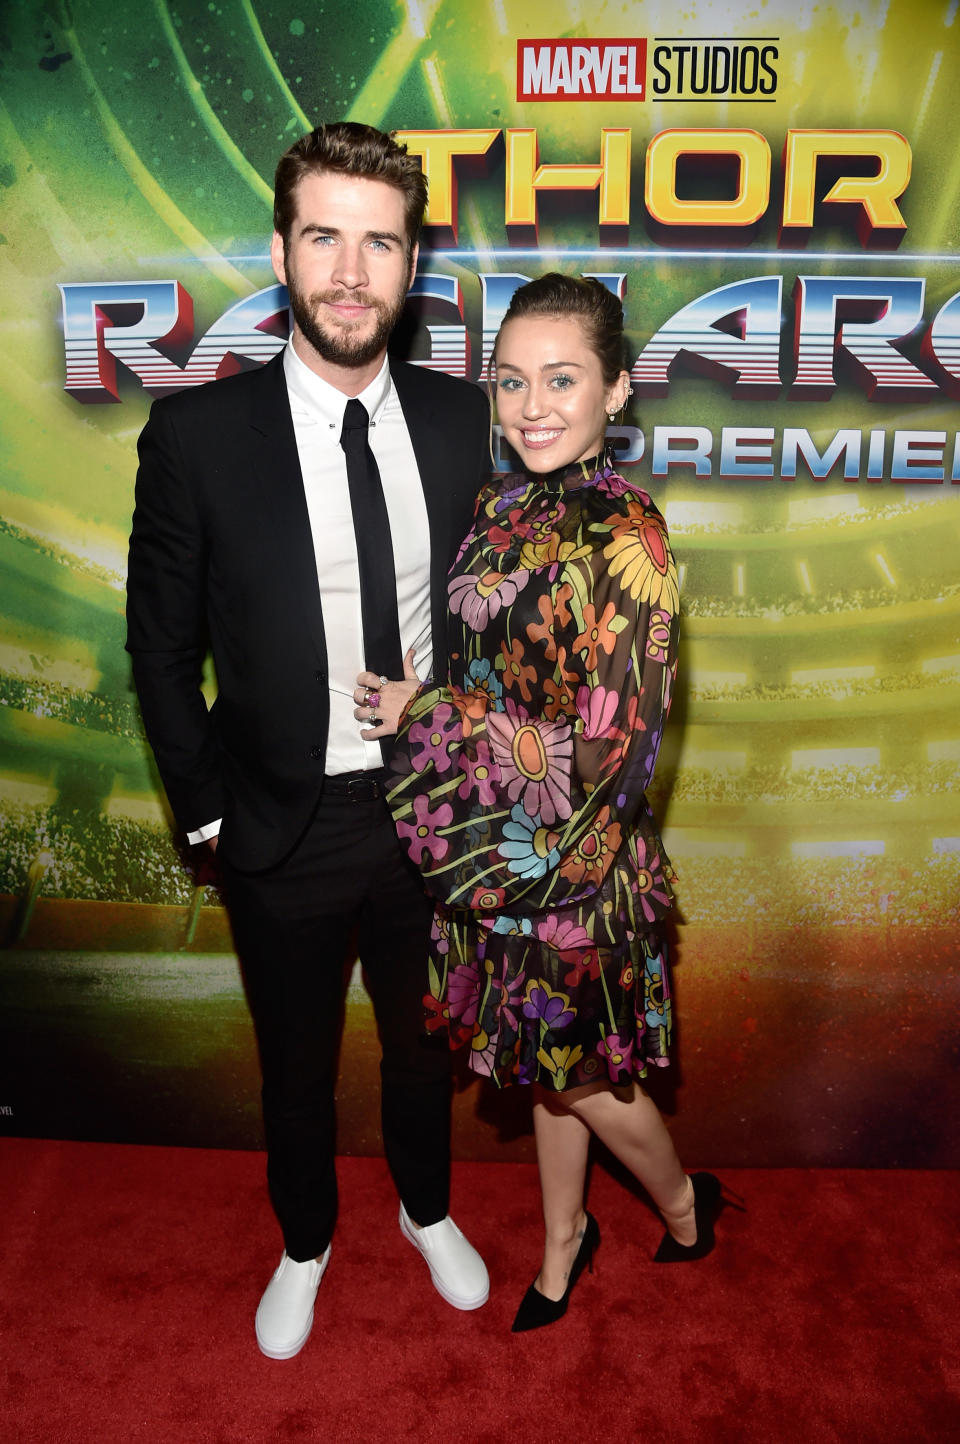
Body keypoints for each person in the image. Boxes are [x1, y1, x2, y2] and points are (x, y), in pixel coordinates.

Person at [126, 121, 490, 1360]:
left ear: (411, 261)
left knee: (421, 1044)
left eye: (378, 241)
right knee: (294, 1066)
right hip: (279, 818)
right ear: (281, 252)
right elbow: (160, 653)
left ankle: (427, 1207)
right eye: (324, 236)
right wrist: (213, 816)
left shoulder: (466, 423)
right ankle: (304, 1240)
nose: (350, 269)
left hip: (434, 809)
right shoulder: (196, 440)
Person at [356, 274, 734, 1333]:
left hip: (576, 868)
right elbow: (483, 670)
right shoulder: (496, 503)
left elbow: (611, 749)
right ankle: (567, 1236)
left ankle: (682, 1201)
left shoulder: (631, 536)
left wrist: (426, 713)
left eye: (561, 379)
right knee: (546, 1073)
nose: (531, 405)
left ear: (617, 389)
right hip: (490, 852)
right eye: (512, 379)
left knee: (591, 1084)